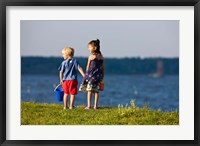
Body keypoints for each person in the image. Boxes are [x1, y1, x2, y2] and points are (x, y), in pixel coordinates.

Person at [79, 39, 104, 109]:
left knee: (89, 91)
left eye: (89, 47)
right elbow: (103, 67)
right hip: (98, 76)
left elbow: (88, 66)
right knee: (96, 91)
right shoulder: (101, 57)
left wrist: (86, 76)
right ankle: (95, 105)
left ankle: (89, 105)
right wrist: (102, 75)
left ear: (94, 48)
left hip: (91, 76)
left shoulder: (91, 56)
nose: (88, 48)